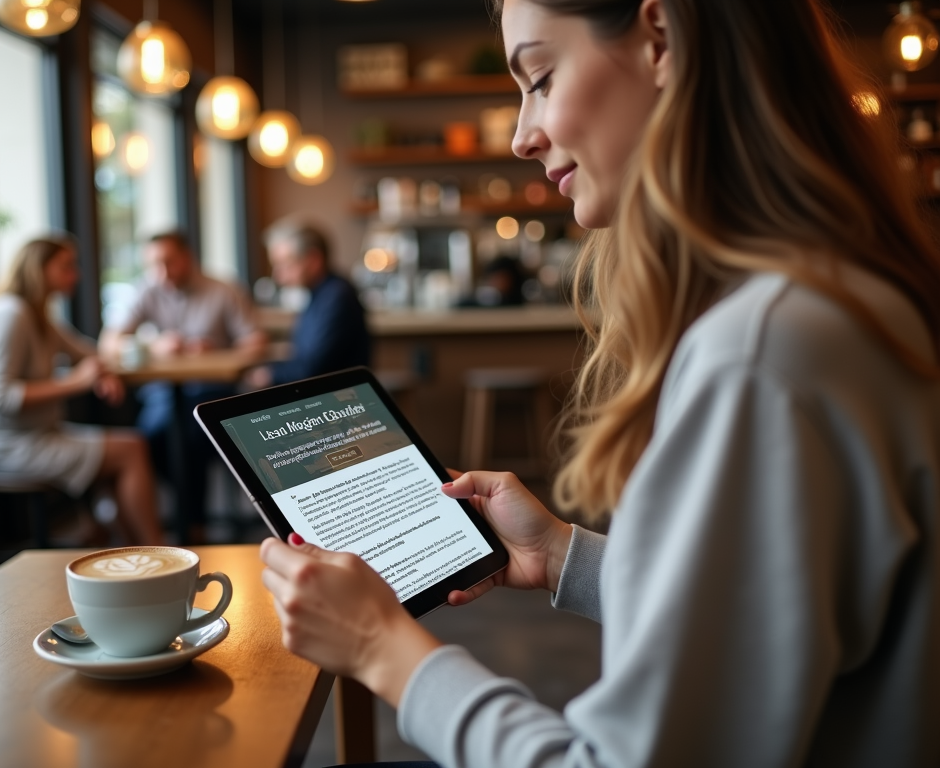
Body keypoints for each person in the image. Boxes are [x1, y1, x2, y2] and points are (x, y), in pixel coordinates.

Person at [259, 1, 940, 767]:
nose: (521, 135)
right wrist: (561, 555)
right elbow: (762, 621)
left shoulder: (760, 353)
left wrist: (381, 648)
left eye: (541, 77)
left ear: (660, 38)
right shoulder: (840, 303)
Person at [0, 237, 164, 545]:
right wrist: (77, 382)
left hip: (31, 435)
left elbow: (87, 353)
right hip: (3, 446)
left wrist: (101, 373)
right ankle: (155, 549)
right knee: (131, 449)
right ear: (39, 269)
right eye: (67, 266)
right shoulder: (10, 316)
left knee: (126, 447)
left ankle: (127, 546)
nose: (76, 274)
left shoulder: (36, 315)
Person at [100, 231, 265, 538]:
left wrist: (217, 351)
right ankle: (184, 521)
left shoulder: (223, 290)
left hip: (213, 389)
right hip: (164, 391)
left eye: (169, 262)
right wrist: (154, 346)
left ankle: (192, 524)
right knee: (152, 437)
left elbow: (256, 341)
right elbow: (109, 341)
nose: (162, 273)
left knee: (191, 436)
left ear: (188, 258)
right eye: (153, 265)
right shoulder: (147, 290)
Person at [246, 222, 370, 389]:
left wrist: (270, 374)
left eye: (285, 264)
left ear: (313, 260)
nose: (277, 274)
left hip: (337, 400)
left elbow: (312, 369)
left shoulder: (337, 298)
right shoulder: (319, 294)